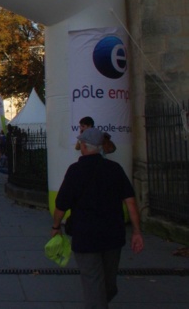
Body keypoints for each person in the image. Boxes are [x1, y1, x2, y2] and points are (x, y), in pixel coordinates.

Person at [52, 126, 143, 308]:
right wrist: (136, 231)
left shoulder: (75, 171)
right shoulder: (114, 169)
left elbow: (61, 205)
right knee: (106, 281)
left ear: (85, 146)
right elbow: (130, 200)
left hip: (85, 235)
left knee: (95, 282)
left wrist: (56, 227)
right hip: (112, 234)